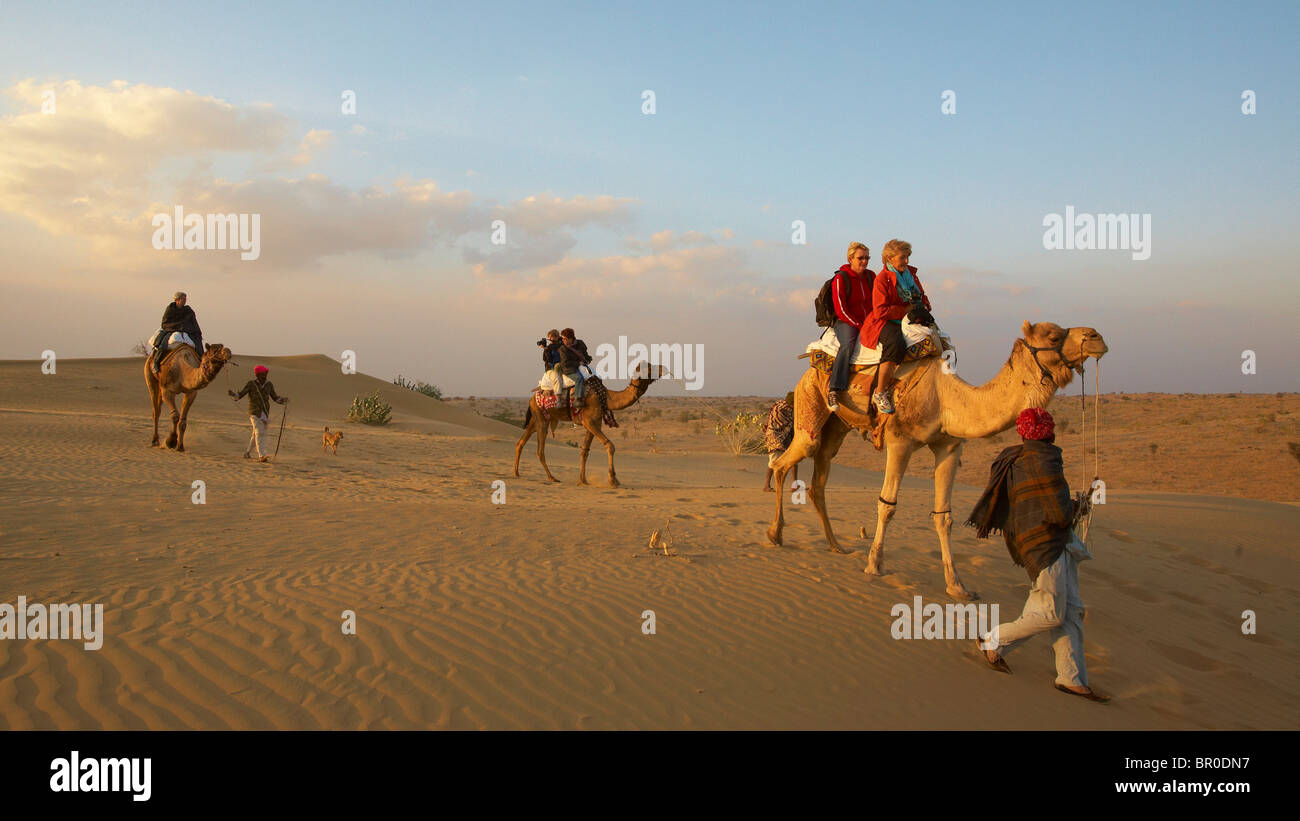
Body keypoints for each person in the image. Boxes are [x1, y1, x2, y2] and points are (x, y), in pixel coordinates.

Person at [965, 407, 1107, 702]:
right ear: (1049, 431)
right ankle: (992, 640)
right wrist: (1078, 506)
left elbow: (1043, 504)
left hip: (1046, 542)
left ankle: (1071, 678)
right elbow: (1057, 512)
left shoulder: (1016, 457)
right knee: (1051, 613)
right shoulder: (1045, 461)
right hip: (1045, 545)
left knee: (1070, 612)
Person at [860, 240, 934, 414]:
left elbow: (921, 296)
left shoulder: (911, 275)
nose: (907, 261)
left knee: (940, 340)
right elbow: (880, 311)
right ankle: (880, 392)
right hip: (886, 322)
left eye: (908, 257)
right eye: (903, 257)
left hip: (910, 318)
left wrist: (924, 308)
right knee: (896, 344)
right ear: (890, 258)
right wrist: (905, 310)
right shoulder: (882, 279)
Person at [826, 242, 874, 412]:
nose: (864, 261)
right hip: (846, 321)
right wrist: (859, 325)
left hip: (868, 321)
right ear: (850, 258)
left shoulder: (870, 277)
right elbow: (840, 309)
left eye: (867, 258)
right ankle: (834, 389)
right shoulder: (841, 279)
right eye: (860, 258)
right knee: (848, 345)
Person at [228, 365, 289, 462]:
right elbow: (240, 395)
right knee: (259, 432)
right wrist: (233, 395)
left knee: (256, 433)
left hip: (264, 413)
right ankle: (262, 455)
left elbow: (275, 398)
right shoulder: (251, 384)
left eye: (266, 373)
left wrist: (283, 400)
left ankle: (247, 452)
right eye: (264, 373)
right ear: (258, 374)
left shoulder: (269, 384)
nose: (265, 375)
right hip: (254, 412)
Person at [149, 291, 204, 374]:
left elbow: (192, 323)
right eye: (183, 299)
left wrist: (186, 328)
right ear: (177, 300)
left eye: (185, 299)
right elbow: (165, 323)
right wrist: (178, 326)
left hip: (187, 330)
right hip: (170, 330)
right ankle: (156, 363)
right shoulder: (170, 309)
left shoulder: (188, 310)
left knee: (197, 342)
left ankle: (202, 363)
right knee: (163, 344)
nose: (185, 301)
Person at [762, 391, 799, 492]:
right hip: (774, 436)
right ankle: (766, 485)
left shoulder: (786, 406)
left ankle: (795, 485)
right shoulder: (782, 408)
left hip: (786, 436)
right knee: (773, 461)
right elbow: (784, 423)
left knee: (794, 459)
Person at [557, 327, 591, 407]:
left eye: (565, 338)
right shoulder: (563, 349)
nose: (563, 340)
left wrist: (588, 359)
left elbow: (585, 354)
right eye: (563, 339)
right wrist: (578, 363)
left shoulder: (580, 344)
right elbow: (565, 363)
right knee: (579, 379)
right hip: (569, 369)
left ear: (570, 338)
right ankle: (577, 399)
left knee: (595, 378)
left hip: (582, 367)